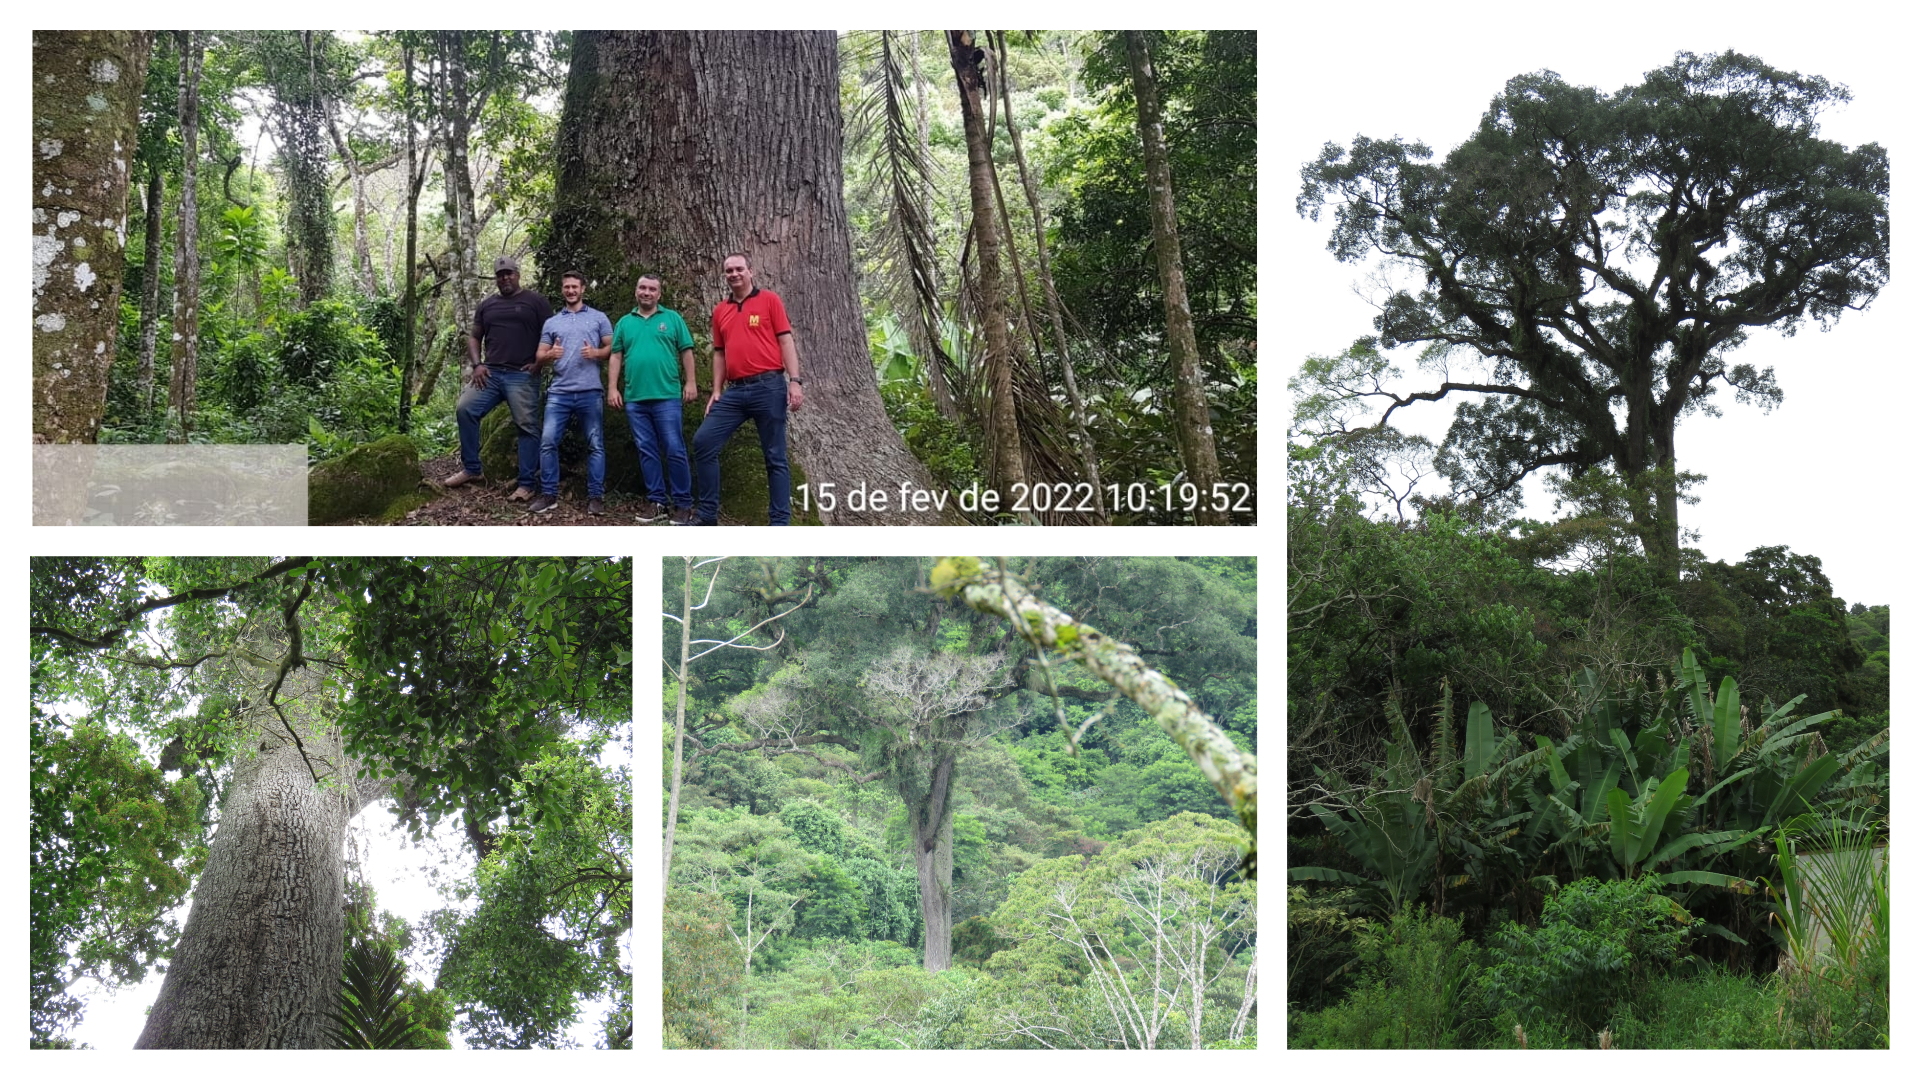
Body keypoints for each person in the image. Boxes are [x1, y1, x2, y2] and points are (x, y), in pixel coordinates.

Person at [691, 252, 803, 526]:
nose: (734, 274)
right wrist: (716, 390)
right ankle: (707, 517)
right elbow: (719, 353)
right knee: (703, 442)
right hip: (736, 391)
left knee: (775, 456)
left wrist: (795, 381)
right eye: (729, 271)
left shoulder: (769, 301)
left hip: (769, 386)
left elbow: (786, 341)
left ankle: (779, 523)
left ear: (750, 271)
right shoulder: (721, 311)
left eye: (739, 269)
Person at [445, 257, 553, 500]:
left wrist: (539, 362)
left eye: (509, 273)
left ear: (518, 274)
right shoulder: (487, 305)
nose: (505, 278)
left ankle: (526, 484)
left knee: (526, 426)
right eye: (500, 275)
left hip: (522, 374)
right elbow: (474, 337)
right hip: (490, 374)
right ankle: (472, 469)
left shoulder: (535, 301)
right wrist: (477, 365)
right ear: (496, 278)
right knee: (465, 409)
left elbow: (553, 334)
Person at [608, 273, 698, 525]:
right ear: (636, 291)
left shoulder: (672, 319)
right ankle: (657, 501)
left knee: (675, 449)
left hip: (667, 396)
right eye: (642, 288)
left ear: (659, 294)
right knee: (646, 450)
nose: (646, 292)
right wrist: (612, 388)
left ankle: (683, 504)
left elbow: (686, 351)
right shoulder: (625, 322)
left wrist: (690, 382)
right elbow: (616, 356)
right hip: (635, 398)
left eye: (652, 289)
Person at [529, 270, 613, 516]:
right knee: (547, 442)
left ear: (583, 289)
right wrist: (549, 356)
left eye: (575, 287)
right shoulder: (553, 322)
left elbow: (612, 347)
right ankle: (549, 495)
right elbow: (539, 356)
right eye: (567, 287)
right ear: (562, 290)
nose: (571, 291)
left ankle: (596, 497)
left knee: (595, 445)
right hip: (560, 392)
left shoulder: (598, 318)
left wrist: (596, 354)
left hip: (590, 391)